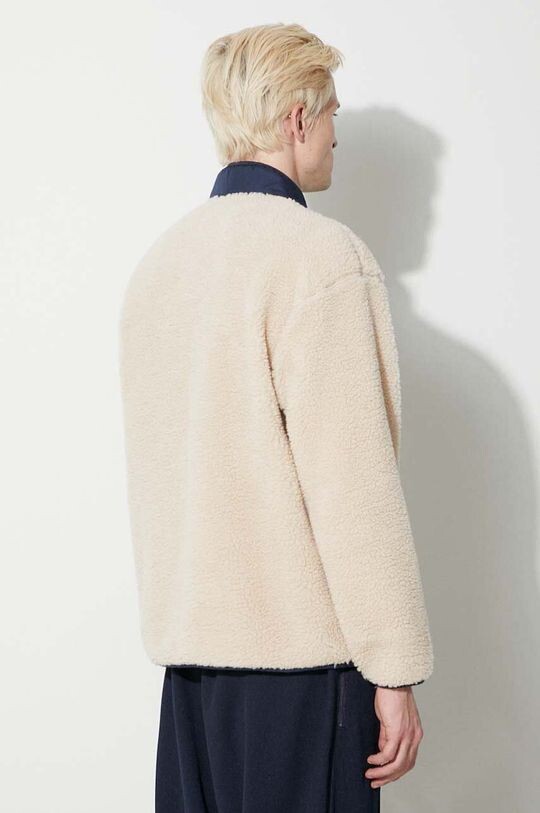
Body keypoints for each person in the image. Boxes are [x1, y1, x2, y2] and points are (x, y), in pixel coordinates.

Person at [118, 22, 434, 813]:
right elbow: (352, 486)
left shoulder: (160, 268)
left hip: (190, 680)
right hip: (299, 675)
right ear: (297, 119)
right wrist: (394, 668)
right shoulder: (319, 260)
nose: (336, 137)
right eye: (332, 116)